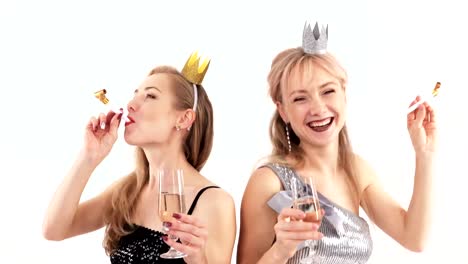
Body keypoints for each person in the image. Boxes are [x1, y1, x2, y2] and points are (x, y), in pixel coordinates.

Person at [237, 22, 437, 264]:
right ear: (283, 111)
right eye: (300, 98)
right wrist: (280, 251)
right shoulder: (269, 182)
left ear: (344, 94)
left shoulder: (357, 170)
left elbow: (413, 238)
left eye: (328, 91)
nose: (318, 108)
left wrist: (424, 154)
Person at [42, 52, 236, 264]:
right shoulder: (127, 191)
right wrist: (89, 157)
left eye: (150, 96)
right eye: (135, 94)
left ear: (184, 118)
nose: (131, 104)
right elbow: (53, 230)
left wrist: (198, 259)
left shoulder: (215, 203)